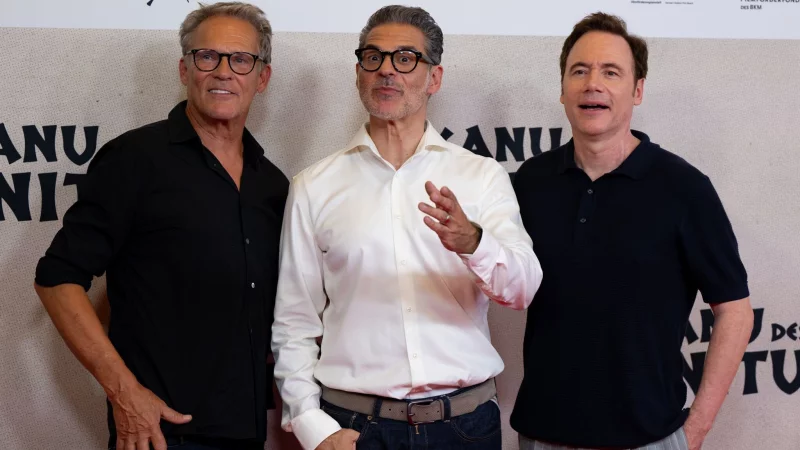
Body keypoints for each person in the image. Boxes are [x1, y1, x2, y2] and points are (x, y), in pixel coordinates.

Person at [271, 5, 542, 450]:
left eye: (405, 58)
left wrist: (473, 242)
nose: (386, 71)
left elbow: (522, 291)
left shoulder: (481, 176)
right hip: (354, 429)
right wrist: (312, 426)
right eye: (373, 58)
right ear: (358, 74)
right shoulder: (314, 186)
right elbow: (293, 323)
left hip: (464, 428)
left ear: (434, 78)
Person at [33, 3, 288, 449]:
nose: (223, 72)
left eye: (241, 59)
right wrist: (125, 393)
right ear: (184, 69)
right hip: (157, 434)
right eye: (207, 56)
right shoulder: (134, 160)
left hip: (246, 432)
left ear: (262, 78)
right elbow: (56, 279)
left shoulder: (273, 183)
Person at [510, 12, 754, 450]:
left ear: (637, 90)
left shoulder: (685, 188)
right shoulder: (530, 181)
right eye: (579, 71)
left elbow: (735, 309)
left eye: (611, 72)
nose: (592, 83)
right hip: (541, 436)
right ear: (563, 88)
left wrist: (694, 431)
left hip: (650, 439)